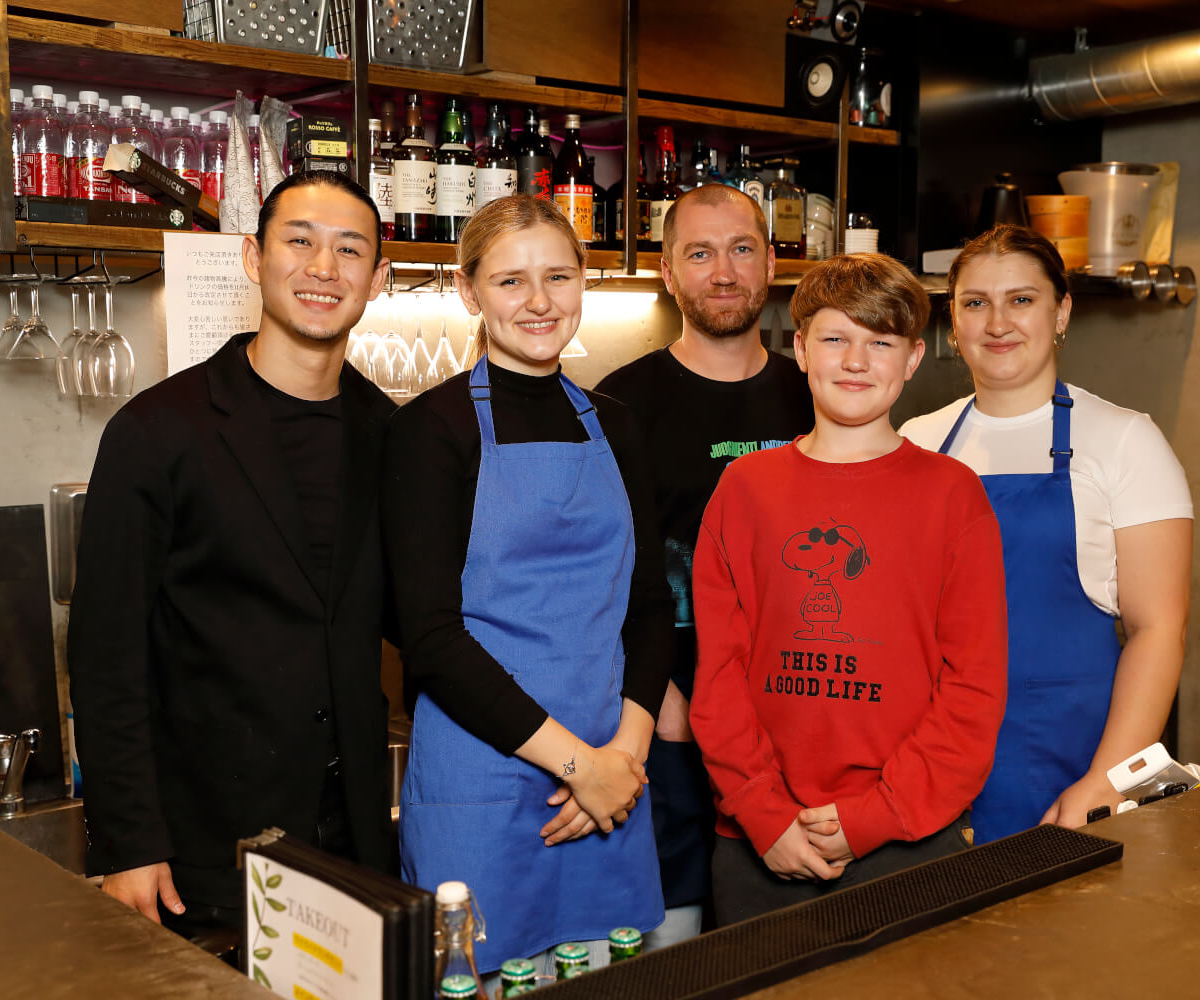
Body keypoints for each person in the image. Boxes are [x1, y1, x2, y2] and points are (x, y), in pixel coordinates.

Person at [68, 171, 397, 937]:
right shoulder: (159, 431)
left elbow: (416, 614)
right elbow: (106, 653)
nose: (324, 268)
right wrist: (129, 843)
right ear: (253, 258)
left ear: (377, 278)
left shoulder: (388, 433)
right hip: (202, 852)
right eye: (300, 242)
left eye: (350, 250)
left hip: (353, 847)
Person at [382, 195, 668, 976]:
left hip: (613, 782)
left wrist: (623, 761)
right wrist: (579, 767)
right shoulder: (430, 430)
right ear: (469, 291)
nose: (539, 302)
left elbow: (647, 607)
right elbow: (432, 640)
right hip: (485, 784)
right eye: (511, 282)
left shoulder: (616, 422)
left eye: (559, 276)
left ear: (584, 283)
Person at [689, 253, 1007, 925]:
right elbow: (717, 678)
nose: (856, 361)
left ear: (914, 358)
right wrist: (766, 815)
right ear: (800, 348)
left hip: (909, 841)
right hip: (757, 844)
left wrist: (876, 815)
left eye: (880, 342)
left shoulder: (953, 496)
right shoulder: (745, 489)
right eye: (836, 339)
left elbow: (974, 689)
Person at [900, 225, 1193, 843]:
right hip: (930, 766)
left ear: (1061, 312)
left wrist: (1109, 779)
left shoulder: (1124, 440)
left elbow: (1157, 629)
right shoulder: (916, 442)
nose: (997, 321)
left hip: (1074, 763)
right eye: (976, 302)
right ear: (952, 322)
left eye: (1022, 299)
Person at [596, 183, 812, 947]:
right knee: (678, 945)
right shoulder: (618, 408)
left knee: (792, 943)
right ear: (667, 271)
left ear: (772, 262)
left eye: (741, 249)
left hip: (799, 722)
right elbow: (608, 579)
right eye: (700, 253)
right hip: (674, 724)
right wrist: (664, 703)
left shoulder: (818, 393)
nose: (723, 271)